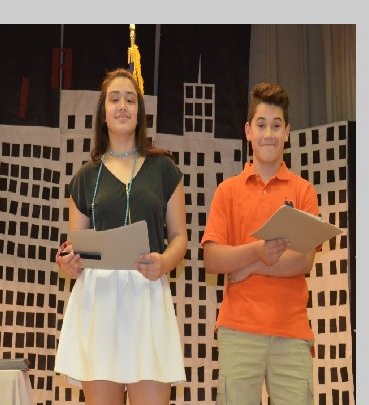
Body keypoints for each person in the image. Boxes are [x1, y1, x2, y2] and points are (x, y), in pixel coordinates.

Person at [54, 68, 188, 405]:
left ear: (140, 113)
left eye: (130, 99)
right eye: (114, 99)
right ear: (103, 113)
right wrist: (68, 263)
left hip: (148, 296)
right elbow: (76, 247)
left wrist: (164, 262)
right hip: (98, 303)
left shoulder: (164, 169)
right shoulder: (85, 178)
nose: (123, 106)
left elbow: (179, 237)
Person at [201, 82, 317, 405]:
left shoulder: (303, 191)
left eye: (276, 126)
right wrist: (257, 251)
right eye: (261, 125)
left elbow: (303, 260)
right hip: (238, 330)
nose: (269, 134)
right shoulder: (228, 191)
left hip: (291, 332)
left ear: (287, 132)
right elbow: (212, 259)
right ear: (248, 131)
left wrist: (248, 267)